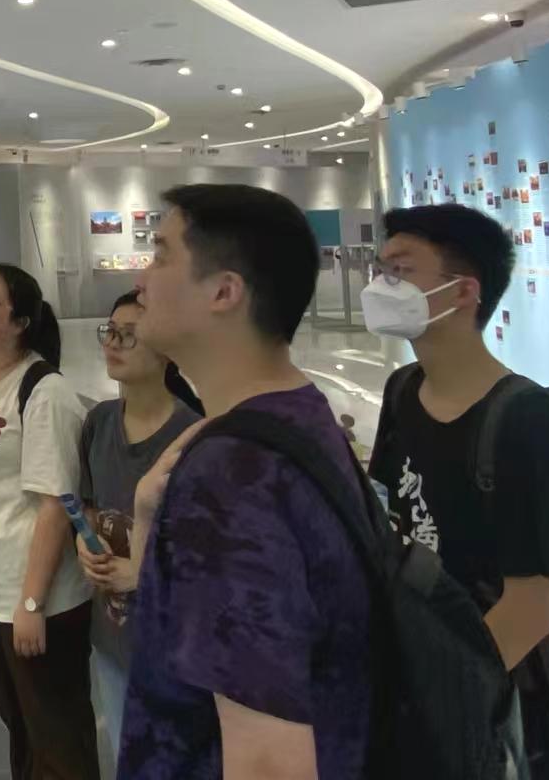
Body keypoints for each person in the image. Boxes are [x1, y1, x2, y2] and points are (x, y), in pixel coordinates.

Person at [119, 185, 371, 780]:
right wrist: (149, 520)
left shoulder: (232, 477)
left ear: (224, 292)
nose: (141, 280)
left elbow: (270, 760)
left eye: (161, 255)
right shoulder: (300, 417)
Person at [364, 205, 549, 779]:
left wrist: (446, 704)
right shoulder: (402, 390)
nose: (382, 285)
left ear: (463, 292)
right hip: (418, 680)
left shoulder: (526, 419)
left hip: (498, 719)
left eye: (400, 270)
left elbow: (531, 607)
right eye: (381, 269)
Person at [0, 264, 100, 780]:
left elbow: (56, 504)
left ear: (20, 322)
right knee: (23, 732)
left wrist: (31, 603)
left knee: (60, 743)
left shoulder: (43, 391)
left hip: (33, 602)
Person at [75, 292, 202, 763]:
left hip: (175, 648)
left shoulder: (193, 438)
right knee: (127, 755)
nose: (113, 343)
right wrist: (84, 540)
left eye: (129, 335)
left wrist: (144, 573)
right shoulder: (99, 423)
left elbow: (210, 554)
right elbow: (90, 504)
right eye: (110, 331)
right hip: (113, 637)